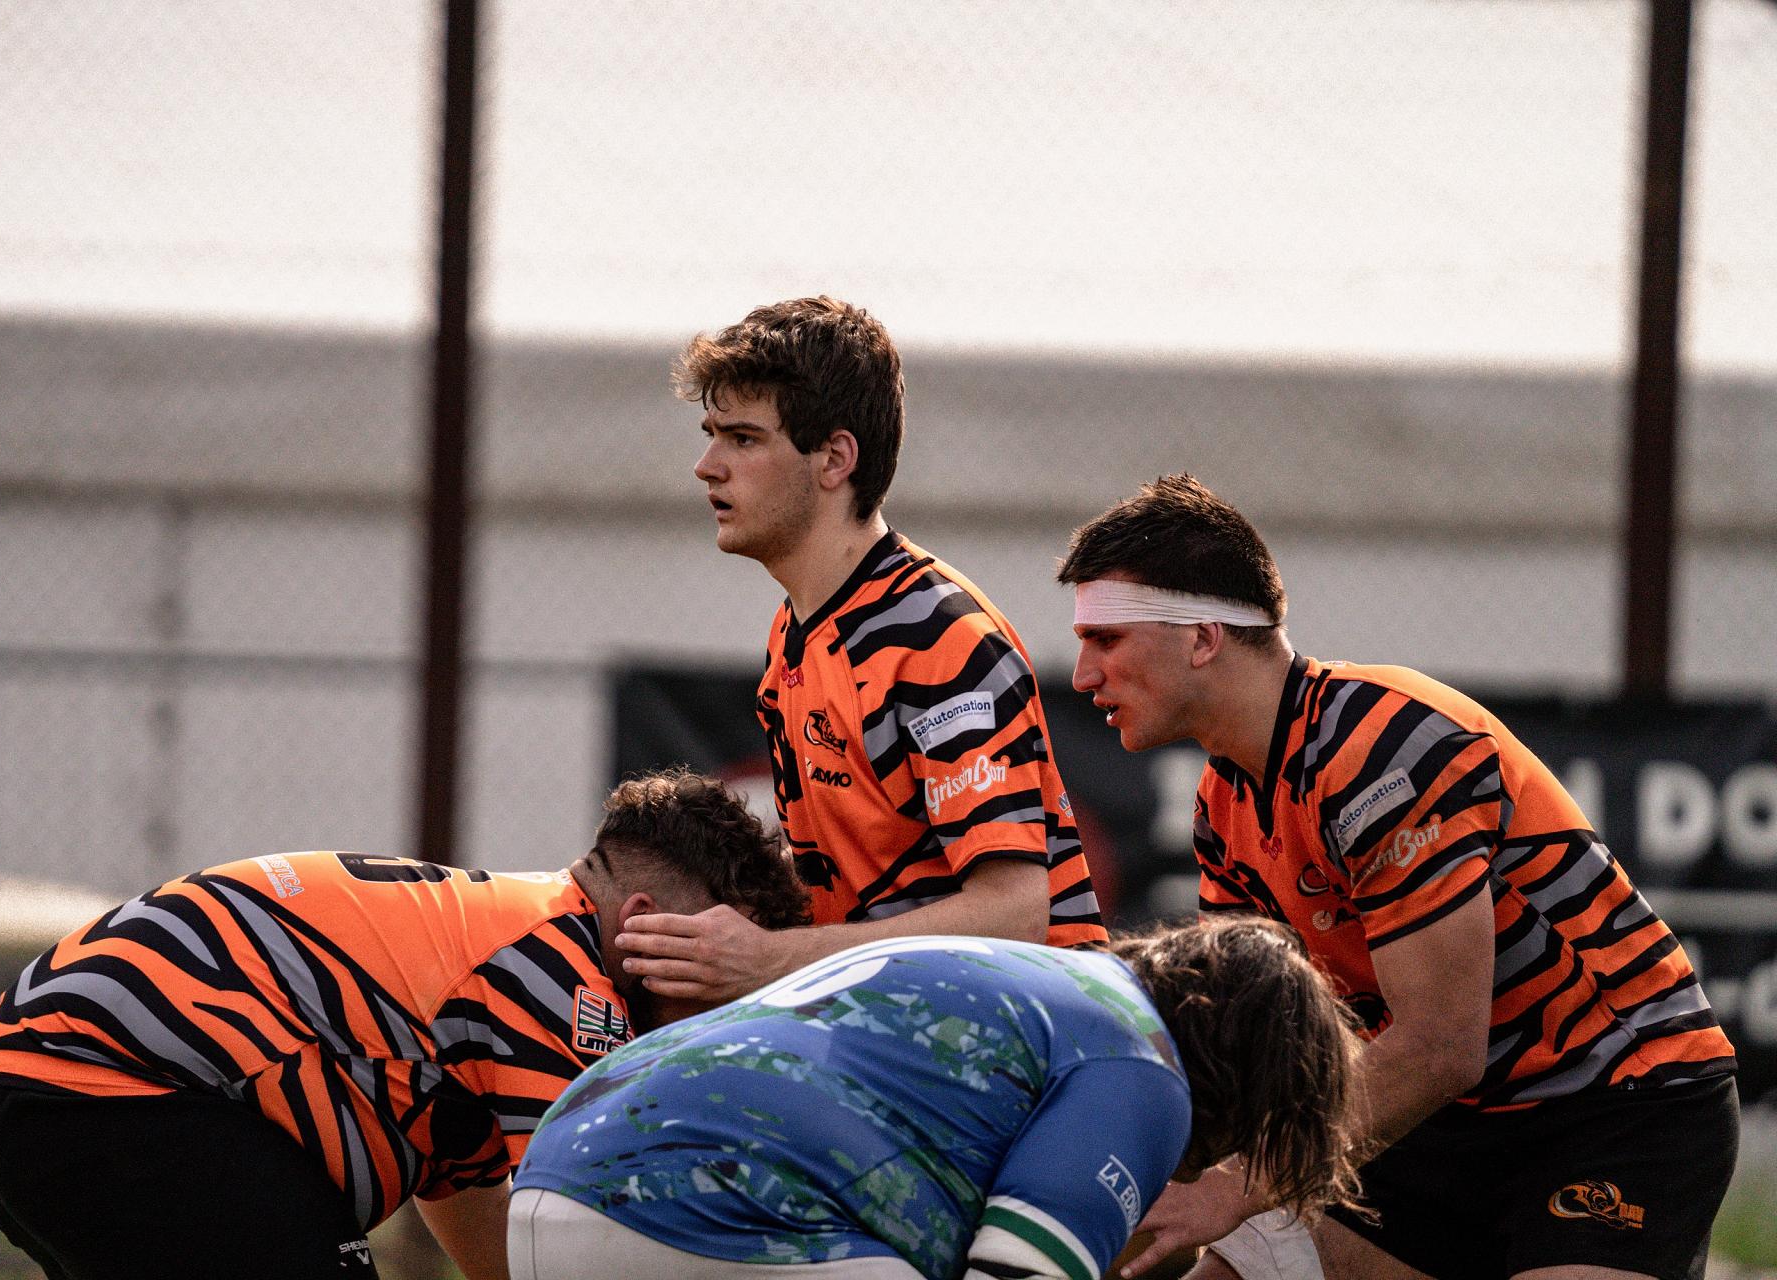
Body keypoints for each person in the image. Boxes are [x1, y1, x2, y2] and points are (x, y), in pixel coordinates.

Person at [1060, 475, 1739, 1280]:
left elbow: (1441, 1047)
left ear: (1203, 638)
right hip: (1446, 1122)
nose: (1083, 675)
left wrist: (1235, 1184)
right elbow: (1258, 1046)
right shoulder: (1224, 803)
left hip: (1614, 1104)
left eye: (1107, 639)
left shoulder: (1382, 749)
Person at [0, 769, 810, 1280]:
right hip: (103, 1093)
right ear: (643, 921)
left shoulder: (505, 934)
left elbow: (480, 1211)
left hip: (31, 1091)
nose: (722, 1009)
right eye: (716, 969)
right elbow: (585, 1232)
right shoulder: (562, 977)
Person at [623, 296, 1105, 1004]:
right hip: (903, 1017)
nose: (707, 465)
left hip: (1028, 1027)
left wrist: (771, 961)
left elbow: (1014, 915)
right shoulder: (795, 632)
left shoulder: (936, 636)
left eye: (743, 439)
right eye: (711, 435)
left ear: (835, 459)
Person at [508, 917, 1360, 1280]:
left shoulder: (1042, 980)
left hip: (552, 1181)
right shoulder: (1144, 1070)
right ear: (1245, 1086)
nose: (1213, 1166)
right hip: (707, 1208)